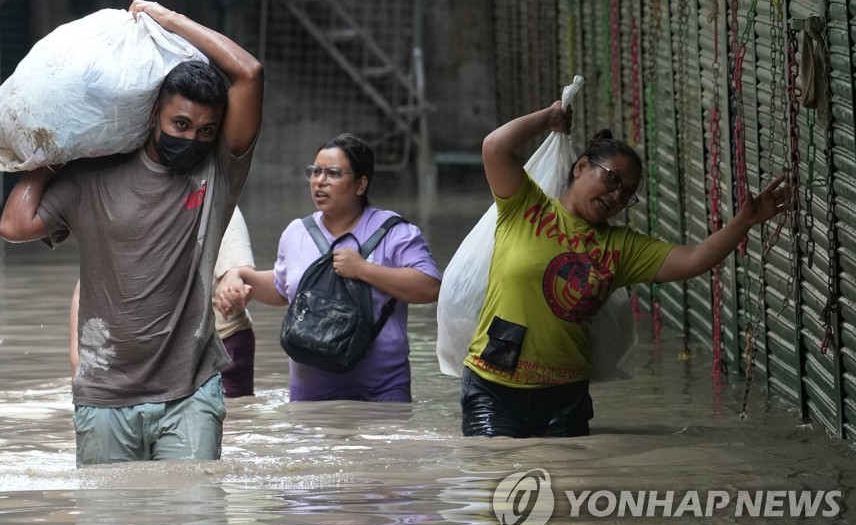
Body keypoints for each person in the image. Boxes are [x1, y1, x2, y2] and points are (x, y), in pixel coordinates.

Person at [0, 0, 263, 466]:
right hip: (104, 394)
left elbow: (249, 74)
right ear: (152, 115)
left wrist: (172, 20)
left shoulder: (217, 171)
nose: (193, 139)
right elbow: (15, 225)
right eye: (180, 124)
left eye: (206, 130)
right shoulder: (91, 178)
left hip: (191, 390)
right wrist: (57, 148)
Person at [461, 99, 790, 438]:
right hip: (494, 386)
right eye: (612, 179)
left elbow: (694, 259)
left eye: (627, 193)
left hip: (564, 396)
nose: (617, 196)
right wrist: (550, 116)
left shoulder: (622, 248)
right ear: (581, 167)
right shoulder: (525, 207)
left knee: (565, 486)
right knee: (498, 471)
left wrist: (745, 221)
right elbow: (495, 146)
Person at [215, 133, 442, 402]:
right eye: (315, 172)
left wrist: (363, 270)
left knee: (384, 446)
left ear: (360, 184)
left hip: (381, 392)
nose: (320, 181)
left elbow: (430, 287)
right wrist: (238, 276)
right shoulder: (297, 232)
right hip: (310, 396)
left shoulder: (394, 232)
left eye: (333, 173)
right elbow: (282, 289)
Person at [68, 206, 257, 397]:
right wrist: (81, 366)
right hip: (144, 352)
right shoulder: (122, 204)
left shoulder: (214, 198)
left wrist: (234, 285)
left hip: (216, 343)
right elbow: (87, 288)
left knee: (229, 418)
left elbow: (240, 271)